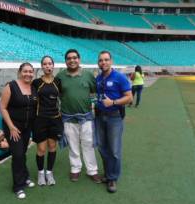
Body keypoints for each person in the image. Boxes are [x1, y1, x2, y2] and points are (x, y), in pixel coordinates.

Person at [56, 49, 101, 183]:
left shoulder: (88, 75)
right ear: (66, 61)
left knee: (88, 144)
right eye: (69, 58)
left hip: (86, 117)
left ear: (79, 59)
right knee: (73, 145)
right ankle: (75, 168)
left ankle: (92, 170)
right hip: (68, 117)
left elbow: (94, 91)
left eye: (74, 58)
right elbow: (57, 94)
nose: (72, 60)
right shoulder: (60, 77)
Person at [95, 51, 132, 193]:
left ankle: (113, 178)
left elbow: (129, 98)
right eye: (101, 60)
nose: (103, 62)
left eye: (106, 60)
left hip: (114, 117)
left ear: (111, 61)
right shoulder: (98, 78)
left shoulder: (120, 77)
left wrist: (114, 102)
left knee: (114, 150)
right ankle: (108, 174)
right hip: (99, 117)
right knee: (102, 148)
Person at [0, 63, 37, 199]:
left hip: (27, 127)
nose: (28, 74)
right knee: (17, 155)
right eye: (25, 71)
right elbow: (2, 108)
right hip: (13, 128)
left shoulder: (33, 88)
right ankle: (18, 186)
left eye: (30, 72)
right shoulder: (11, 86)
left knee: (23, 153)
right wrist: (10, 127)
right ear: (20, 72)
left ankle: (25, 176)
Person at [32, 56, 63, 186]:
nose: (47, 66)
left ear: (53, 66)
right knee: (41, 149)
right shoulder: (36, 82)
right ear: (42, 66)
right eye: (45, 64)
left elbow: (62, 98)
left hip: (55, 120)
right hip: (40, 120)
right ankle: (40, 173)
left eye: (49, 64)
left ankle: (49, 173)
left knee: (52, 147)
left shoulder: (58, 81)